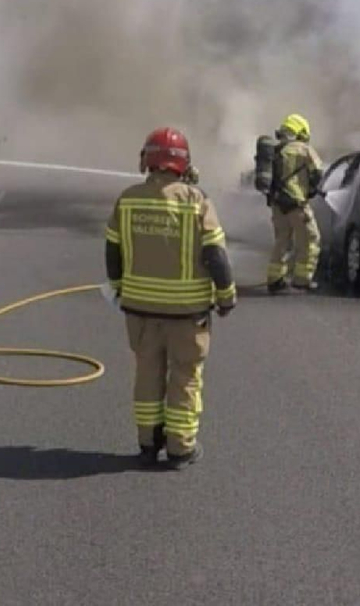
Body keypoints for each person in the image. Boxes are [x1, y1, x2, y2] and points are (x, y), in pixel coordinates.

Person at [105, 127, 235, 467]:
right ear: (183, 163)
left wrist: (118, 286)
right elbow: (216, 256)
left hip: (140, 310)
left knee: (147, 373)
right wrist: (226, 296)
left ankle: (148, 442)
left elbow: (113, 250)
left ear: (147, 159)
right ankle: (180, 447)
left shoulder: (128, 198)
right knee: (184, 378)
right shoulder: (196, 201)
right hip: (187, 313)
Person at [265, 113, 324, 293]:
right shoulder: (304, 149)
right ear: (301, 131)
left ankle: (275, 280)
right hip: (297, 203)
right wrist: (312, 189)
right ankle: (302, 280)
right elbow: (318, 172)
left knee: (281, 240)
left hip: (277, 204)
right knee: (310, 239)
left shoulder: (276, 150)